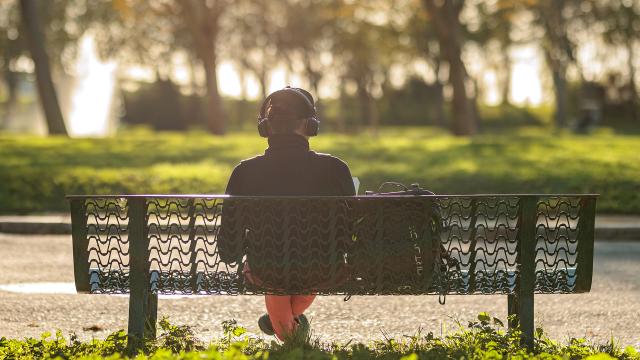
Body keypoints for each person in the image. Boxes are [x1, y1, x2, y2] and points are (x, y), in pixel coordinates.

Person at [222, 86, 355, 341]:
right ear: (310, 125)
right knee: (306, 266)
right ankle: (287, 327)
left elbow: (230, 244)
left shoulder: (244, 172)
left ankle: (283, 326)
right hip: (323, 267)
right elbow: (350, 228)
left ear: (265, 128)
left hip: (265, 269)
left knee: (275, 269)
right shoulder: (336, 169)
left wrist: (241, 256)